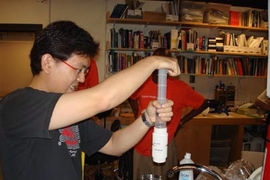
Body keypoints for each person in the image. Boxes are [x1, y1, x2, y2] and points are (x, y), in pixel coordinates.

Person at [0, 21, 180, 180]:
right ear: (47, 62)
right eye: (78, 69)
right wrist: (152, 62)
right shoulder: (17, 104)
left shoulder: (71, 113)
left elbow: (114, 144)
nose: (81, 79)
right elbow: (103, 99)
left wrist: (147, 119)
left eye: (84, 72)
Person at [128, 48, 209, 179]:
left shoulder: (180, 87)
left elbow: (203, 103)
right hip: (141, 142)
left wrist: (182, 122)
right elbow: (130, 96)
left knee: (165, 176)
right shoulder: (142, 83)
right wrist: (137, 113)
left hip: (165, 144)